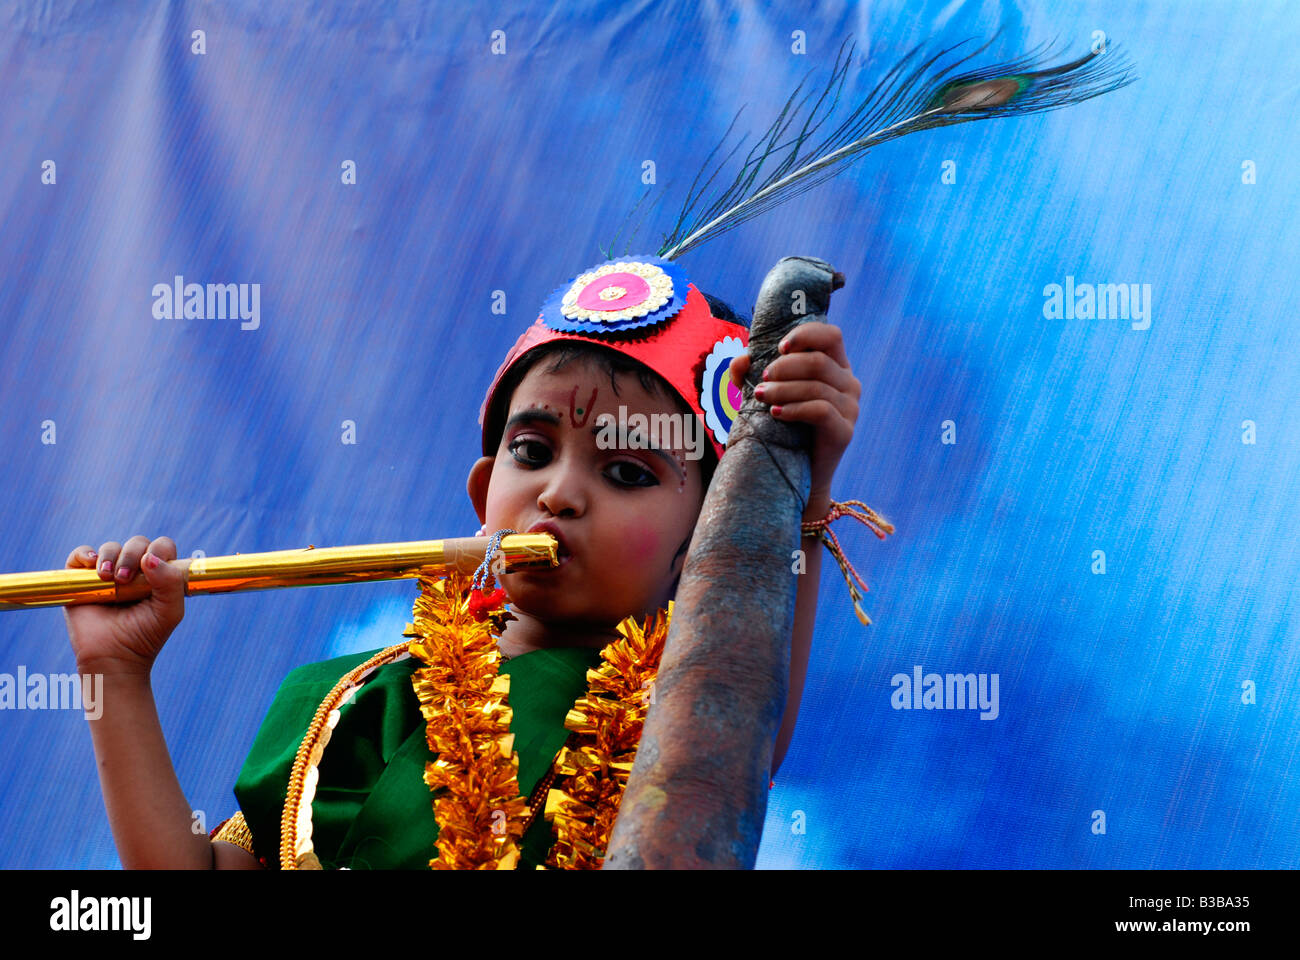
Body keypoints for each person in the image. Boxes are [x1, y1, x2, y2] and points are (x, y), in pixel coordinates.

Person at [62, 255, 881, 869]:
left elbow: (741, 722)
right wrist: (118, 677)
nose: (559, 495)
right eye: (533, 451)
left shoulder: (682, 714)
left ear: (705, 539)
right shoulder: (351, 701)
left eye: (628, 471)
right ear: (485, 490)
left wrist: (785, 489)